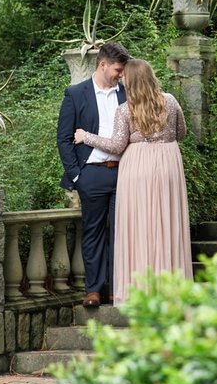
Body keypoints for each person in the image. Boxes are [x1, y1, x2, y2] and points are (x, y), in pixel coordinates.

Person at [74, 58, 193, 305]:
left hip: (137, 168)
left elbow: (118, 145)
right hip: (168, 165)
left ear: (134, 80)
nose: (123, 80)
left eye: (125, 77)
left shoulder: (125, 109)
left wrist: (87, 137)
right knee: (166, 223)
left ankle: (139, 289)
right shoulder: (169, 101)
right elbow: (182, 133)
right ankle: (169, 288)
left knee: (139, 227)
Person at [57, 41, 130, 308]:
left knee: (122, 233)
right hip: (92, 175)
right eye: (117, 70)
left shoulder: (127, 93)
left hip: (125, 173)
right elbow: (64, 139)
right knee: (93, 232)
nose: (120, 75)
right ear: (103, 65)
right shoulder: (76, 94)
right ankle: (94, 290)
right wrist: (77, 176)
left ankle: (117, 288)